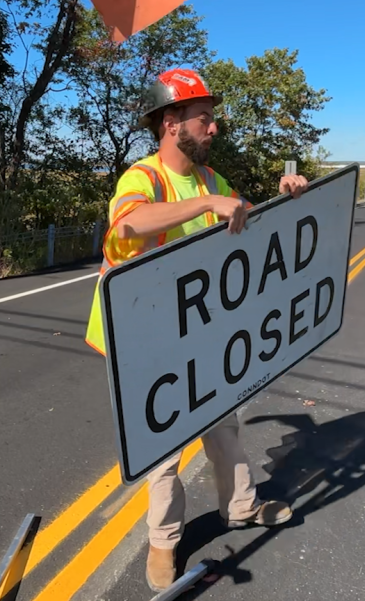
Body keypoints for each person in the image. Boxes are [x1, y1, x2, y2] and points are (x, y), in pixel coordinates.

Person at [84, 67, 308, 592]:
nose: (213, 128)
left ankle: (242, 506)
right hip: (147, 339)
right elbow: (127, 228)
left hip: (201, 333)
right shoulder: (144, 178)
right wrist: (208, 204)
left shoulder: (213, 180)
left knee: (223, 423)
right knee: (164, 446)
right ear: (170, 122)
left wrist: (285, 198)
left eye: (211, 119)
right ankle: (163, 542)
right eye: (203, 118)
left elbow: (248, 226)